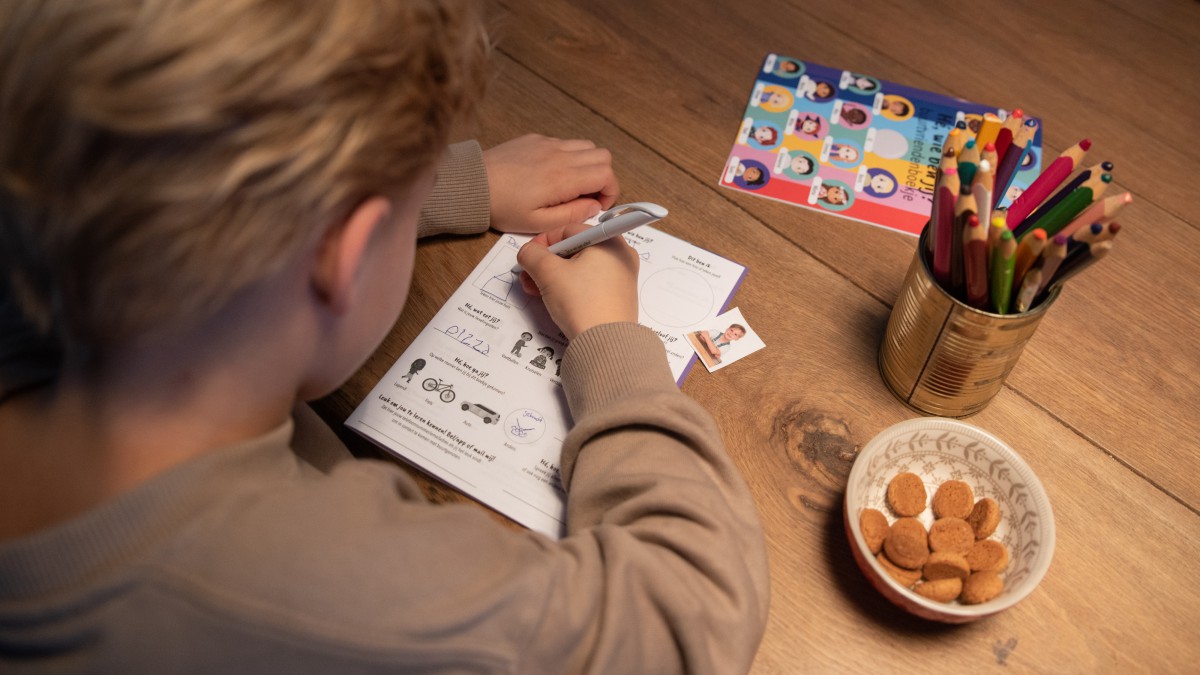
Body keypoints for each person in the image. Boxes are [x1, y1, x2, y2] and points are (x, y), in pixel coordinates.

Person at [0, 0, 769, 673]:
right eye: (406, 205)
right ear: (347, 251)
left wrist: (448, 185)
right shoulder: (322, 589)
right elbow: (692, 610)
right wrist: (610, 338)